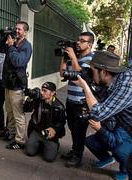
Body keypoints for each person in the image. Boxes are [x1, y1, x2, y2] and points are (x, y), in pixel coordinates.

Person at [74, 51, 132, 180]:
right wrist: (88, 81)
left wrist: (85, 86)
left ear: (104, 72)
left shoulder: (126, 85)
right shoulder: (114, 80)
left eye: (92, 71)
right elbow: (102, 97)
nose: (91, 74)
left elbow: (98, 113)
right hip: (126, 126)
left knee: (126, 159)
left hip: (128, 129)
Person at [59, 32, 94, 167]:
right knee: (73, 128)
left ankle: (78, 157)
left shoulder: (91, 59)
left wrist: (73, 57)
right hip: (70, 99)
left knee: (80, 130)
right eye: (78, 40)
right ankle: (74, 150)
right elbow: (62, 73)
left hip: (82, 102)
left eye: (82, 41)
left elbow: (82, 76)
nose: (78, 43)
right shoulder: (75, 58)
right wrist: (63, 57)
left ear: (89, 44)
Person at [0, 21, 32, 149]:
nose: (17, 31)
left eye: (19, 29)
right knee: (10, 112)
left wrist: (11, 47)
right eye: (15, 29)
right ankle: (11, 133)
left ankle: (20, 140)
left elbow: (18, 62)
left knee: (18, 114)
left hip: (17, 85)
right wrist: (4, 37)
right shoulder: (12, 42)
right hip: (8, 83)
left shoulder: (26, 46)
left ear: (25, 32)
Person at [25, 82, 66, 162]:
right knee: (30, 152)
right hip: (37, 131)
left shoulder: (59, 106)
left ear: (53, 93)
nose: (41, 93)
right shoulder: (38, 100)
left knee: (49, 158)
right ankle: (40, 144)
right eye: (41, 90)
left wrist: (54, 130)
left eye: (45, 91)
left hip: (49, 134)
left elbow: (61, 122)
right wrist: (30, 98)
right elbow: (26, 109)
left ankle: (54, 145)